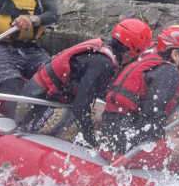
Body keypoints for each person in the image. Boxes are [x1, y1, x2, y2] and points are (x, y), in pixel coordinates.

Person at [15, 18, 153, 145]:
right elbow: (80, 106)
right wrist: (92, 141)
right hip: (33, 104)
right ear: (132, 51)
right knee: (79, 124)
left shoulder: (102, 51)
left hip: (40, 96)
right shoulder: (103, 63)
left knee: (96, 116)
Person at [98, 24, 179, 176]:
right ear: (176, 54)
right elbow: (151, 117)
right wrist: (158, 140)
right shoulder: (169, 72)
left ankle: (167, 155)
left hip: (109, 140)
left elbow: (150, 110)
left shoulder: (155, 63)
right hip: (124, 151)